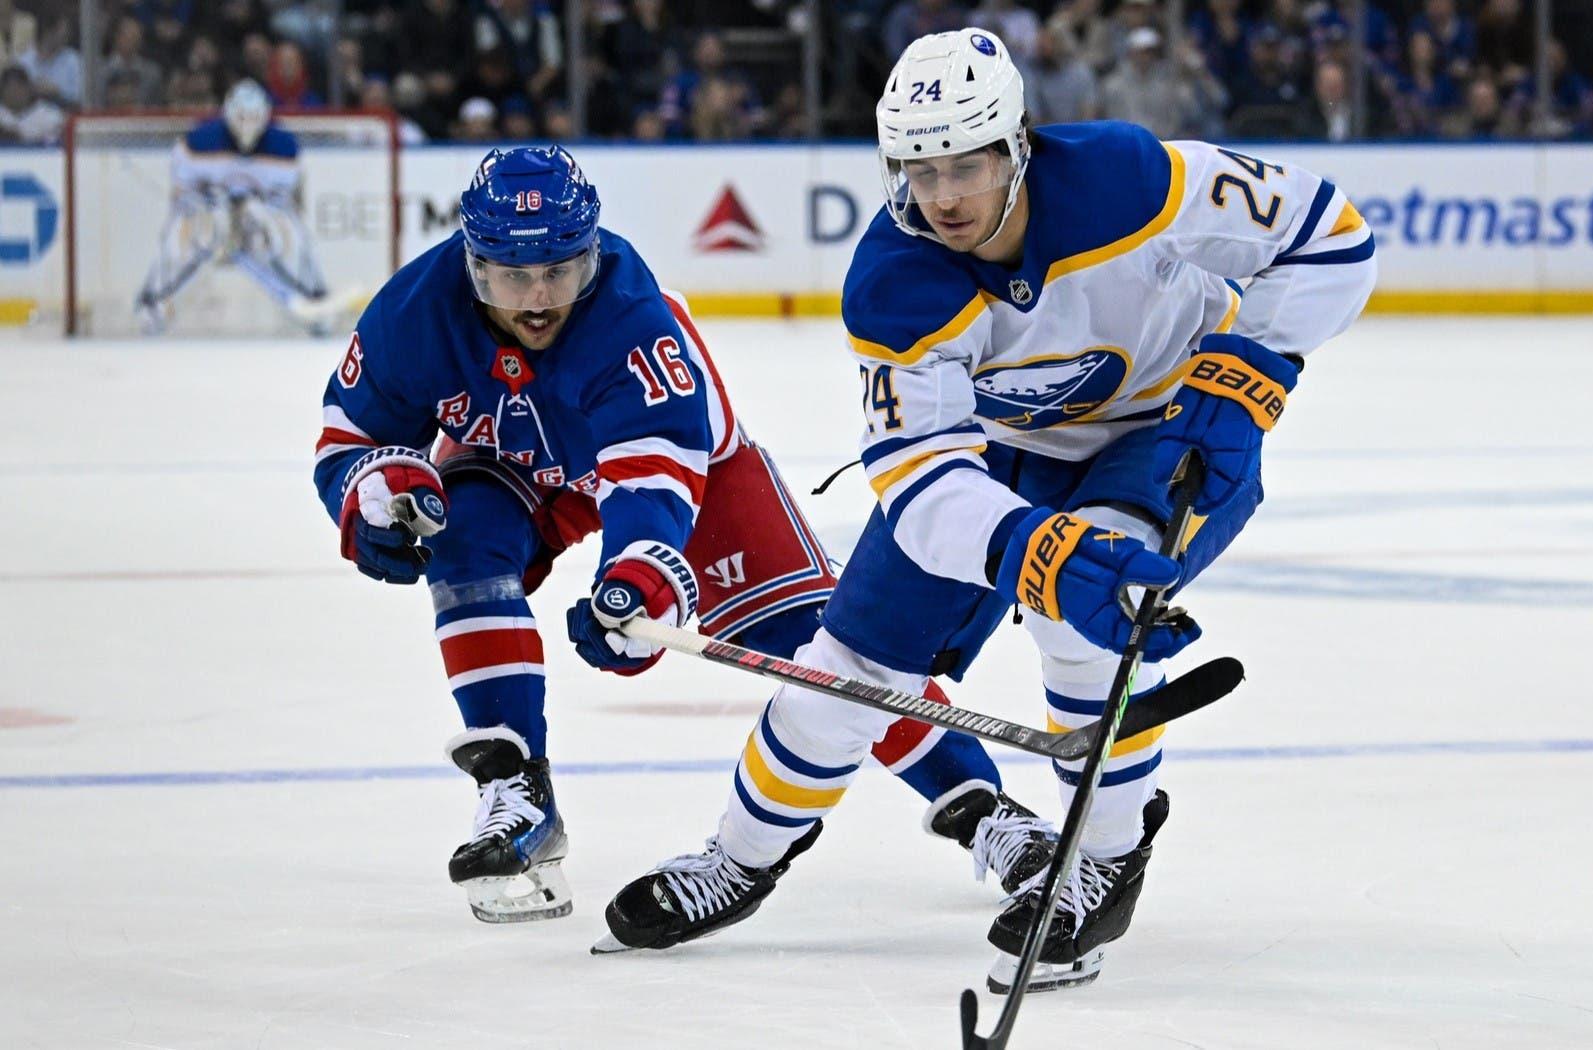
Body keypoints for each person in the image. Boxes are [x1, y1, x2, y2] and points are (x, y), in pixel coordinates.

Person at [602, 27, 1375, 993]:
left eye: (966, 164)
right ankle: (739, 858)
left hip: (1169, 428)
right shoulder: (895, 283)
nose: (943, 197)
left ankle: (1103, 859)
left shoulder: (1127, 179)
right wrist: (1024, 546)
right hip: (998, 451)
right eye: (918, 171)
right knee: (840, 670)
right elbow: (920, 481)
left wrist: (1252, 365)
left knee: (1094, 617)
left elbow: (1330, 235)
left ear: (1017, 144)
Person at [312, 145, 1055, 926]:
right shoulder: (412, 313)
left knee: (826, 647)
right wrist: (373, 497)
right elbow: (346, 441)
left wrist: (637, 582)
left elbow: (652, 485)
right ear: (470, 264)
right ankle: (513, 784)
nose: (536, 300)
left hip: (697, 474)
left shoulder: (633, 321)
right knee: (461, 545)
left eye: (559, 272)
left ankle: (983, 809)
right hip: (516, 464)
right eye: (508, 277)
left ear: (591, 253)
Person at [134, 80, 332, 335]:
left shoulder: (284, 148)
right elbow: (182, 195)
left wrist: (253, 207)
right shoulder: (198, 143)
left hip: (256, 217)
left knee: (292, 237)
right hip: (210, 215)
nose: (247, 124)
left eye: (254, 117)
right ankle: (153, 305)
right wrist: (211, 204)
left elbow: (286, 201)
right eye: (242, 116)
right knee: (179, 240)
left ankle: (314, 300)